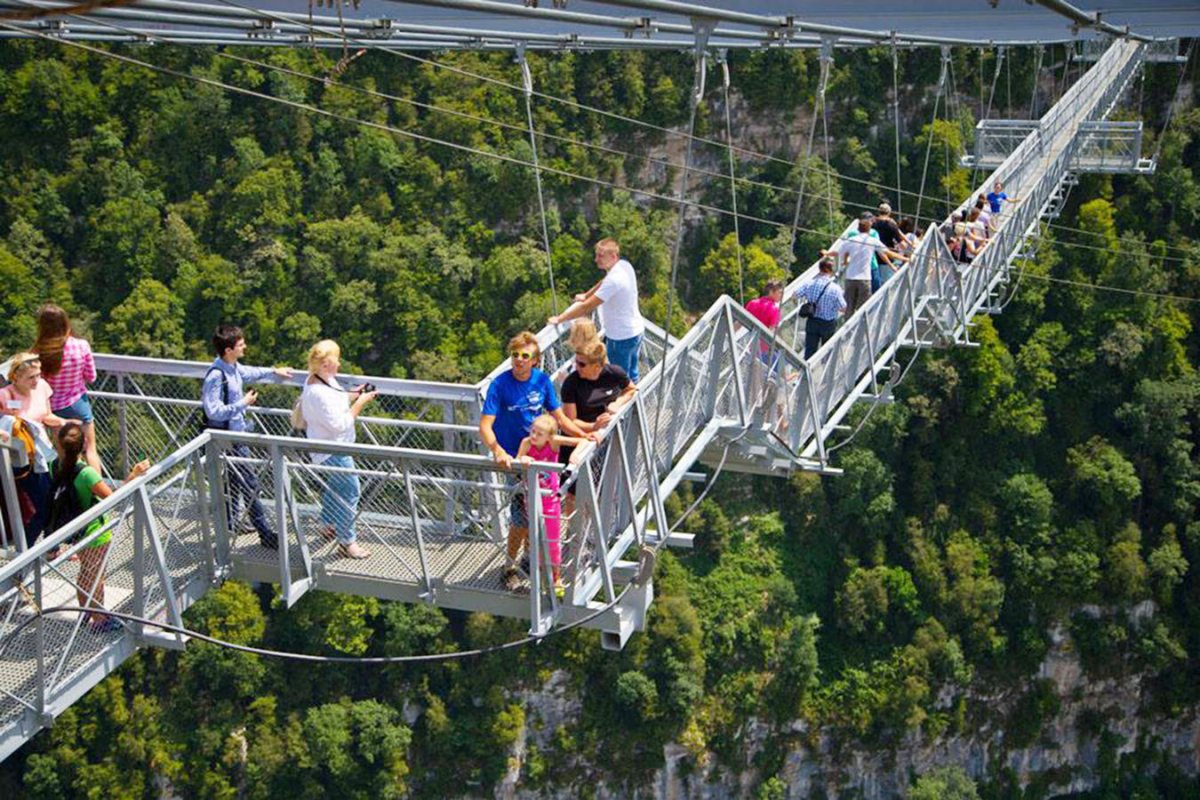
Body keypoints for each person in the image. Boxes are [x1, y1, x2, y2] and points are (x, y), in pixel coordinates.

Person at [478, 331, 592, 590]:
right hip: (515, 460)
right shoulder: (500, 384)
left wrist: (586, 436)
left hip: (541, 457)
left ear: (535, 360)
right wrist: (497, 450)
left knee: (539, 514)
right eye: (514, 355)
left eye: (524, 356)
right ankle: (509, 567)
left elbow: (560, 418)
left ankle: (528, 560)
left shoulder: (541, 382)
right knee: (521, 519)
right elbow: (485, 426)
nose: (518, 360)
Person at [202, 325, 293, 551]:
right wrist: (243, 403)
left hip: (237, 435)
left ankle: (231, 525)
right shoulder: (216, 376)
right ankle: (265, 534)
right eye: (241, 345)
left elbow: (249, 372)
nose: (245, 347)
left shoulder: (233, 367)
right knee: (250, 484)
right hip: (229, 440)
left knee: (235, 483)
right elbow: (212, 411)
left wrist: (274, 371)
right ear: (229, 349)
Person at [51, 424, 149, 632]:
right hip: (95, 531)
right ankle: (100, 619)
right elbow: (113, 499)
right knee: (96, 576)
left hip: (74, 529)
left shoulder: (55, 466)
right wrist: (135, 474)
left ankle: (87, 610)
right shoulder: (86, 474)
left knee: (85, 572)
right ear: (83, 445)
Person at [298, 340, 376, 559]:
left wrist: (354, 394)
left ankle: (327, 524)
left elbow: (336, 399)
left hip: (328, 446)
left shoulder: (319, 379)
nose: (339, 364)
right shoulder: (318, 392)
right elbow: (340, 424)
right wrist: (360, 403)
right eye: (335, 361)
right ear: (325, 365)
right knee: (351, 491)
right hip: (333, 450)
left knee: (335, 487)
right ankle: (347, 541)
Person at [547, 238, 646, 382]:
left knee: (619, 379)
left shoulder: (614, 280)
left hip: (621, 337)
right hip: (636, 331)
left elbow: (587, 307)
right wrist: (586, 295)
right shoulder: (624, 265)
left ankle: (626, 402)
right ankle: (635, 398)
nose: (596, 259)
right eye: (596, 254)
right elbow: (603, 283)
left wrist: (560, 318)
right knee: (631, 373)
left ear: (613, 256)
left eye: (600, 255)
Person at [517, 413, 587, 593]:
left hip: (550, 500)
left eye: (539, 434)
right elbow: (518, 459)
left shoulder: (553, 443)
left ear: (549, 436)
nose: (534, 436)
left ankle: (555, 579)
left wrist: (575, 456)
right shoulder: (526, 443)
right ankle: (541, 577)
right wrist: (523, 459)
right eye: (533, 431)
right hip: (531, 498)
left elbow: (582, 441)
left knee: (552, 540)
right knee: (537, 539)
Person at [1, 353, 66, 545]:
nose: (36, 380)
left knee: (54, 500)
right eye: (31, 377)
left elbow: (46, 415)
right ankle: (27, 553)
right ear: (16, 377)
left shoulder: (42, 387)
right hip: (22, 460)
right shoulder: (5, 395)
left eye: (38, 374)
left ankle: (50, 545)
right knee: (44, 505)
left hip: (44, 453)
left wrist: (65, 423)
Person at [32, 305, 100, 471]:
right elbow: (91, 377)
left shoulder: (38, 352)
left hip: (53, 410)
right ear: (65, 322)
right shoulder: (81, 346)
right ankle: (100, 493)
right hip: (78, 404)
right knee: (90, 449)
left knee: (63, 454)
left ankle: (68, 490)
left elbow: (35, 383)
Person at [828, 217, 898, 318]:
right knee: (863, 308)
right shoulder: (872, 240)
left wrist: (827, 253)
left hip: (850, 278)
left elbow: (837, 252)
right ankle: (861, 328)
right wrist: (905, 259)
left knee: (849, 306)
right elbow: (888, 253)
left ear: (858, 228)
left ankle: (847, 329)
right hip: (865, 278)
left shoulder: (850, 239)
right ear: (869, 229)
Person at [795, 257, 847, 359]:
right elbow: (843, 308)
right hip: (828, 324)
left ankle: (807, 373)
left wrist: (808, 303)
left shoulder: (809, 283)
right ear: (829, 270)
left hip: (812, 321)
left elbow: (795, 295)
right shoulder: (835, 289)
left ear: (820, 269)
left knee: (809, 351)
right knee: (827, 351)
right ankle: (825, 371)